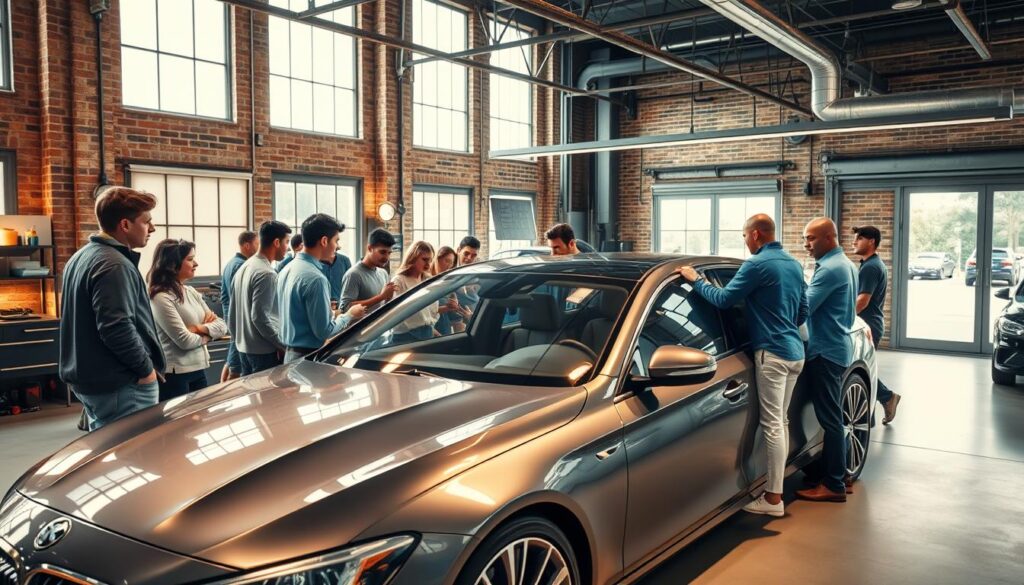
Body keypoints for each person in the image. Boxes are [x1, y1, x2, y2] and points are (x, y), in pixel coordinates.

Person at [677, 214, 807, 517]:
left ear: (757, 234)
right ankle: (773, 490)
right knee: (781, 423)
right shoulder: (792, 264)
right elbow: (802, 311)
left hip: (772, 354)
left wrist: (696, 281)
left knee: (773, 426)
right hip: (795, 351)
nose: (745, 241)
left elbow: (723, 300)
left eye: (745, 235)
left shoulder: (756, 265)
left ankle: (773, 499)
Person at [59, 187, 166, 431]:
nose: (152, 228)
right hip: (122, 384)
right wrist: (146, 371)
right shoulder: (114, 265)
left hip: (94, 381)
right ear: (125, 225)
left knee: (110, 454)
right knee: (134, 458)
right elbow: (116, 327)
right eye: (147, 221)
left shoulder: (82, 257)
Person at [795, 217, 858, 503]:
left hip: (825, 350)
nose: (806, 245)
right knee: (835, 417)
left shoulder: (829, 269)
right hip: (838, 346)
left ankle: (833, 485)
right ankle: (842, 474)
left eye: (811, 238)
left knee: (831, 420)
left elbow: (804, 307)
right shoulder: (845, 264)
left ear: (829, 238)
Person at [278, 214, 365, 363]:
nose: (337, 246)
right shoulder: (316, 278)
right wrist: (349, 315)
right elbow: (324, 331)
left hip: (289, 356)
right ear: (324, 241)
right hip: (308, 359)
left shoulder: (287, 269)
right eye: (336, 241)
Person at [148, 239, 229, 401]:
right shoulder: (161, 297)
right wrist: (208, 334)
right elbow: (184, 340)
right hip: (175, 375)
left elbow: (222, 326)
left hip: (199, 368)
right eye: (190, 259)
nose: (196, 263)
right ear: (173, 264)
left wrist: (198, 328)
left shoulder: (190, 291)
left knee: (202, 422)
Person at [852, 225, 902, 424]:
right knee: (864, 367)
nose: (854, 242)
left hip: (868, 323)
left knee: (861, 368)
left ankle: (886, 398)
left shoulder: (871, 267)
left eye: (859, 238)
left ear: (871, 241)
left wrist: (844, 318)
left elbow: (862, 300)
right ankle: (876, 409)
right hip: (872, 321)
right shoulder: (871, 264)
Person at [230, 221, 292, 375]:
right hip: (263, 352)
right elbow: (259, 317)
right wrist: (282, 345)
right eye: (287, 242)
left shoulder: (244, 266)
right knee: (269, 398)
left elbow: (232, 313)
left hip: (243, 348)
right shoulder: (266, 273)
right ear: (276, 242)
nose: (288, 248)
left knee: (253, 397)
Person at [220, 230, 258, 382]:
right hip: (238, 321)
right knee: (236, 365)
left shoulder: (233, 263)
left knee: (231, 359)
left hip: (233, 318)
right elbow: (238, 298)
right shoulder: (240, 266)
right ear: (247, 245)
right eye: (257, 244)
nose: (259, 247)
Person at [391, 241, 441, 343]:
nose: (428, 264)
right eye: (424, 259)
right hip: (405, 336)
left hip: (426, 333)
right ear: (413, 258)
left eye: (430, 260)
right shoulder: (399, 280)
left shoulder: (428, 279)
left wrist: (431, 328)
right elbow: (395, 313)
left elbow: (429, 310)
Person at [341, 228, 397, 314]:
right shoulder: (353, 274)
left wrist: (388, 298)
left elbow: (383, 305)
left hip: (381, 326)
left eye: (389, 253)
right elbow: (345, 308)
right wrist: (381, 297)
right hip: (361, 327)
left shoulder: (383, 273)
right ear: (370, 248)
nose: (386, 258)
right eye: (382, 252)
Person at [451, 236, 482, 332]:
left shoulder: (479, 271)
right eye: (466, 253)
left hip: (475, 317)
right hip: (455, 319)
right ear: (458, 250)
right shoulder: (448, 268)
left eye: (473, 255)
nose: (469, 258)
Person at [431, 246, 461, 336]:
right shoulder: (426, 280)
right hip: (430, 331)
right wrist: (447, 307)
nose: (449, 266)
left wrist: (454, 302)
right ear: (437, 259)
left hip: (444, 329)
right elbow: (425, 312)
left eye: (451, 263)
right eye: (447, 261)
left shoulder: (446, 281)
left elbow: (452, 293)